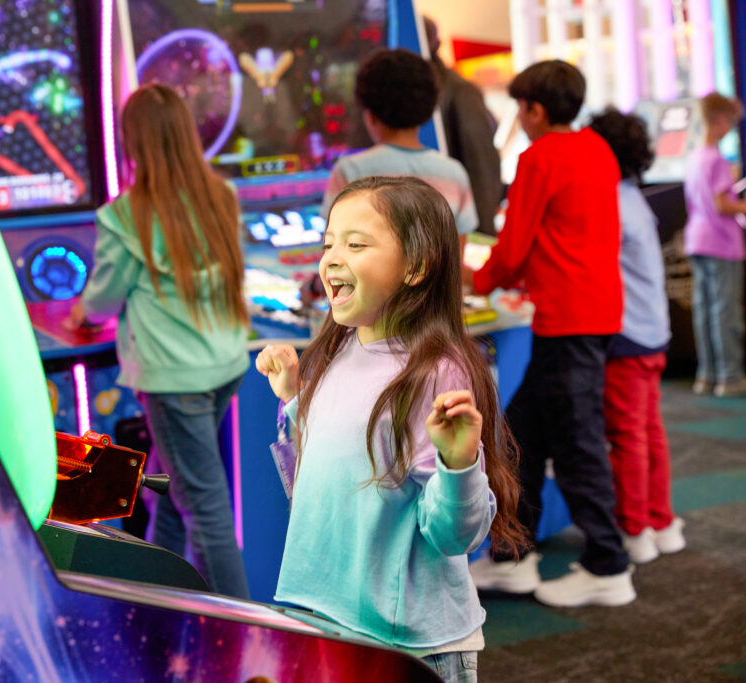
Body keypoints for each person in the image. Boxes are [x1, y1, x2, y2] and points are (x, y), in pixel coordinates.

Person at [257, 176, 526, 681]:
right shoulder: (339, 350)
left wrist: (460, 462)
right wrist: (295, 401)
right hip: (329, 620)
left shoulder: (433, 371)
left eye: (356, 245)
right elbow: (310, 486)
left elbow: (456, 538)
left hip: (407, 647)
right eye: (328, 243)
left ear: (417, 266)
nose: (333, 257)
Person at [65, 83, 251, 598]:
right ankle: (160, 599)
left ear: (133, 145)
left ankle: (246, 641)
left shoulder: (125, 216)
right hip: (223, 364)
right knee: (173, 492)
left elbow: (100, 304)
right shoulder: (221, 195)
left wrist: (80, 309)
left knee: (206, 510)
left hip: (176, 379)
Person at [464, 60, 636, 607]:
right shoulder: (597, 150)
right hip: (592, 313)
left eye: (521, 108)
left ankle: (608, 565)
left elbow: (513, 250)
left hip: (568, 319)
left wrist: (472, 276)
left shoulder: (540, 157)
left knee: (578, 443)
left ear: (534, 109)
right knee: (524, 437)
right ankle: (515, 557)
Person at [589, 107, 686, 564]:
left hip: (627, 333)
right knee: (648, 430)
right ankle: (659, 519)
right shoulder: (632, 196)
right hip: (653, 329)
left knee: (628, 434)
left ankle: (636, 530)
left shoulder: (607, 199)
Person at [319, 47, 478, 241]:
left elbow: (335, 252)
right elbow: (456, 258)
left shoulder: (351, 171)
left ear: (370, 114)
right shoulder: (454, 173)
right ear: (429, 106)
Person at [683, 93, 746, 397]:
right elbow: (721, 202)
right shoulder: (716, 159)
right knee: (725, 311)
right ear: (721, 119)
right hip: (721, 242)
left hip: (697, 239)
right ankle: (729, 376)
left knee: (705, 310)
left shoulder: (695, 155)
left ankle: (708, 374)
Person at [422, 15, 504, 236]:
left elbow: (481, 166)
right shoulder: (428, 88)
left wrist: (482, 232)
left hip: (459, 225)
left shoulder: (458, 91)